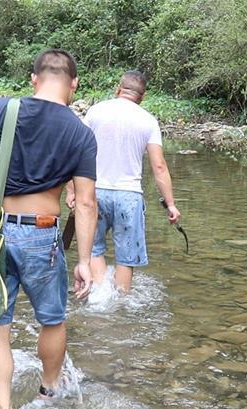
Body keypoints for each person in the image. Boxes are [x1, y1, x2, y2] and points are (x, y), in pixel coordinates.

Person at [0, 49, 98, 409]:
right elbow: (85, 202)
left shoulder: (1, 109)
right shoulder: (81, 133)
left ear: (34, 79)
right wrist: (84, 260)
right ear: (74, 85)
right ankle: (49, 392)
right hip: (40, 231)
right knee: (52, 320)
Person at [74, 70, 180, 293]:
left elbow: (78, 152)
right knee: (126, 256)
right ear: (142, 97)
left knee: (93, 250)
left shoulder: (96, 111)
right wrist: (170, 204)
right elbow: (159, 166)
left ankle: (100, 297)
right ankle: (121, 302)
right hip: (129, 195)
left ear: (118, 89)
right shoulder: (148, 120)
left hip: (95, 191)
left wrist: (73, 190)